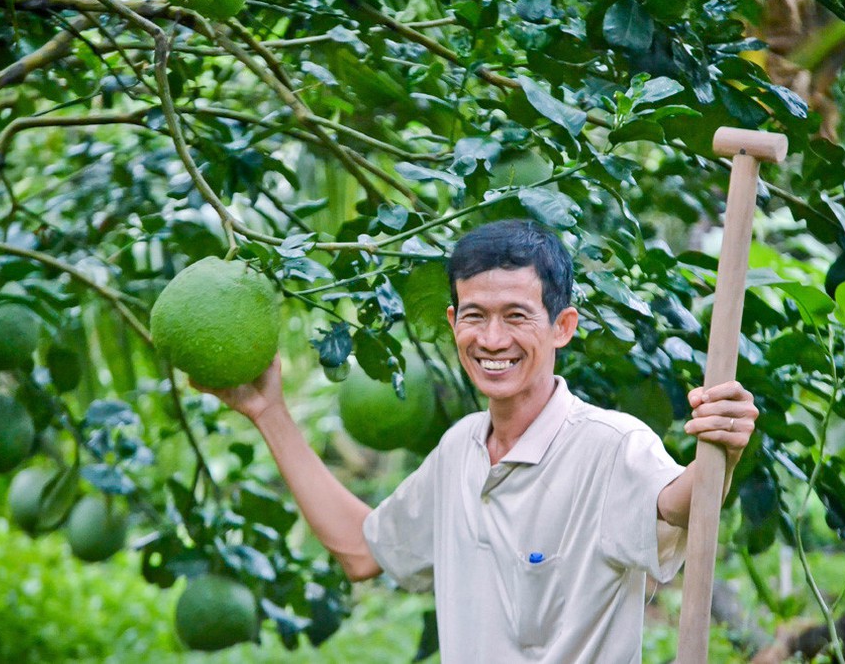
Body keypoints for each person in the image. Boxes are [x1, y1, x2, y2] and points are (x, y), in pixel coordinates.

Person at [198, 220, 758, 663]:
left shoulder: (610, 446)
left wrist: (721, 452)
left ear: (562, 326)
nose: (492, 340)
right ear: (452, 321)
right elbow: (363, 552)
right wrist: (268, 411)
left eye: (516, 316)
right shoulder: (460, 449)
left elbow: (678, 503)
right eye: (475, 317)